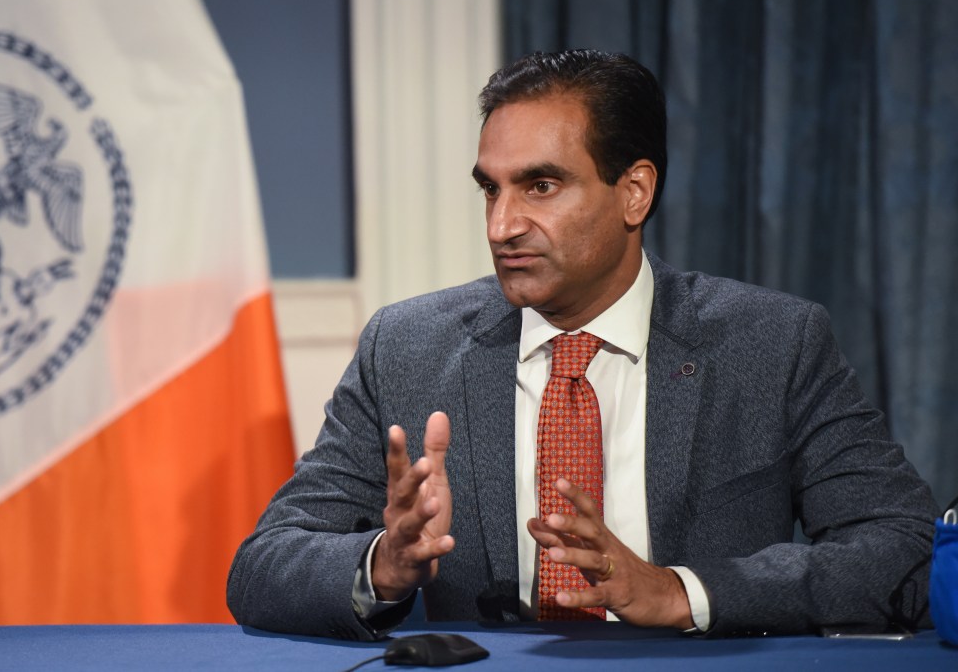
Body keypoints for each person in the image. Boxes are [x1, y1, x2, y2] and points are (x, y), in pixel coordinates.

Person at [227, 50, 938, 641]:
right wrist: (384, 563)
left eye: (540, 185)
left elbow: (900, 549)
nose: (502, 224)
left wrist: (680, 591)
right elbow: (261, 567)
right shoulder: (407, 348)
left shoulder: (773, 344)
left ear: (634, 193)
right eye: (491, 190)